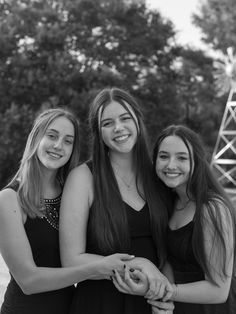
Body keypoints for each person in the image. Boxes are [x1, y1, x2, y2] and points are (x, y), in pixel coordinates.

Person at [0, 108, 134, 314]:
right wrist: (96, 268)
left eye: (68, 141)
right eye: (52, 136)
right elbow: (28, 281)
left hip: (72, 308)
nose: (58, 145)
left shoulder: (72, 194)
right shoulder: (9, 199)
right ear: (36, 137)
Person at [59, 87, 173, 314]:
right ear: (98, 132)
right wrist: (140, 264)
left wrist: (165, 294)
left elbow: (172, 247)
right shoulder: (83, 178)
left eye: (125, 118)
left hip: (150, 303)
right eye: (107, 123)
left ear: (138, 120)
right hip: (99, 303)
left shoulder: (159, 174)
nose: (118, 128)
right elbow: (71, 260)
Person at [149, 124, 236, 313]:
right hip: (177, 306)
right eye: (163, 156)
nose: (171, 165)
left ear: (196, 162)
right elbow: (168, 260)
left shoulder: (212, 209)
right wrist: (163, 303)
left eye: (181, 157)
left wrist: (167, 292)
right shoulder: (168, 203)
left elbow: (219, 290)